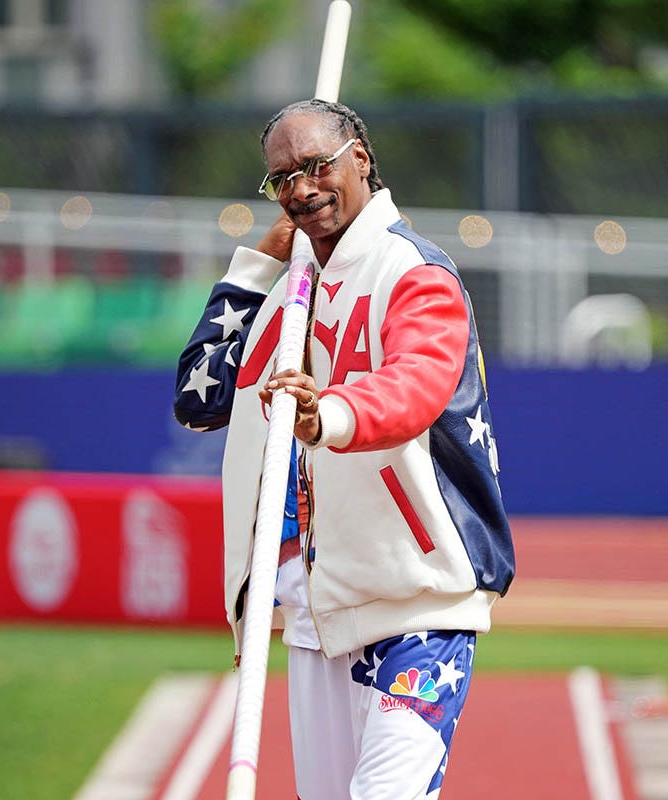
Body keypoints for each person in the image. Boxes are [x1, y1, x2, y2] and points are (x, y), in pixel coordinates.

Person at [174, 99, 514, 800]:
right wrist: (256, 266)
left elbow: (415, 387)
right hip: (313, 611)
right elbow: (198, 399)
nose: (300, 189)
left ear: (359, 157)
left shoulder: (415, 272)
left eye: (315, 166)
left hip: (417, 602)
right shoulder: (288, 287)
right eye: (281, 180)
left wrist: (324, 413)